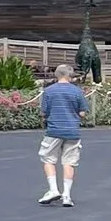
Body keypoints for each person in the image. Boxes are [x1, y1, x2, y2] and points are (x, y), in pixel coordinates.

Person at [37, 65, 89, 206]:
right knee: (69, 163)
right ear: (70, 75)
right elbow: (83, 113)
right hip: (72, 131)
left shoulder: (48, 91)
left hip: (54, 130)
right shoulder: (77, 91)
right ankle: (67, 195)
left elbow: (43, 112)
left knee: (48, 159)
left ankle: (53, 189)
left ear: (57, 75)